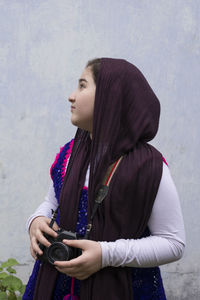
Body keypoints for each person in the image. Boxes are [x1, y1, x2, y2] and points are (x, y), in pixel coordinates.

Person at [23, 58, 185, 300]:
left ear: (111, 97)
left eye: (82, 85)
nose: (71, 96)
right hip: (53, 286)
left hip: (123, 290)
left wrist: (105, 254)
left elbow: (173, 243)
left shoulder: (150, 168)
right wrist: (36, 220)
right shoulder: (70, 153)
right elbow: (52, 202)